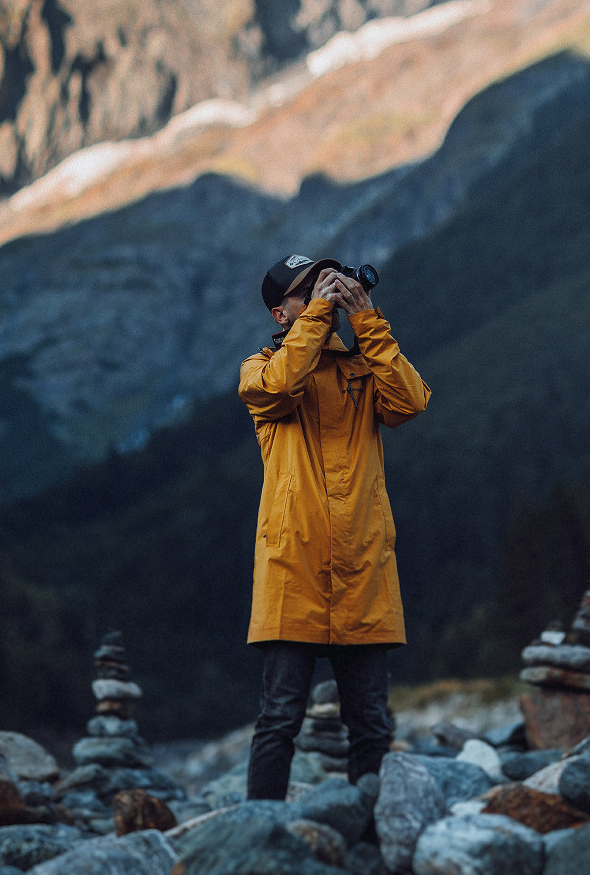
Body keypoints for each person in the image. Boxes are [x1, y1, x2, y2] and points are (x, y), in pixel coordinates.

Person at [239, 252, 430, 800]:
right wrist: (322, 316)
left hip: (362, 567)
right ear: (281, 315)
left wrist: (366, 317)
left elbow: (412, 401)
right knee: (279, 721)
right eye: (308, 293)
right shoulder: (259, 368)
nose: (325, 297)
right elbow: (279, 386)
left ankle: (371, 837)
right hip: (292, 569)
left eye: (329, 286)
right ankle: (260, 840)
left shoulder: (361, 370)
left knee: (370, 724)